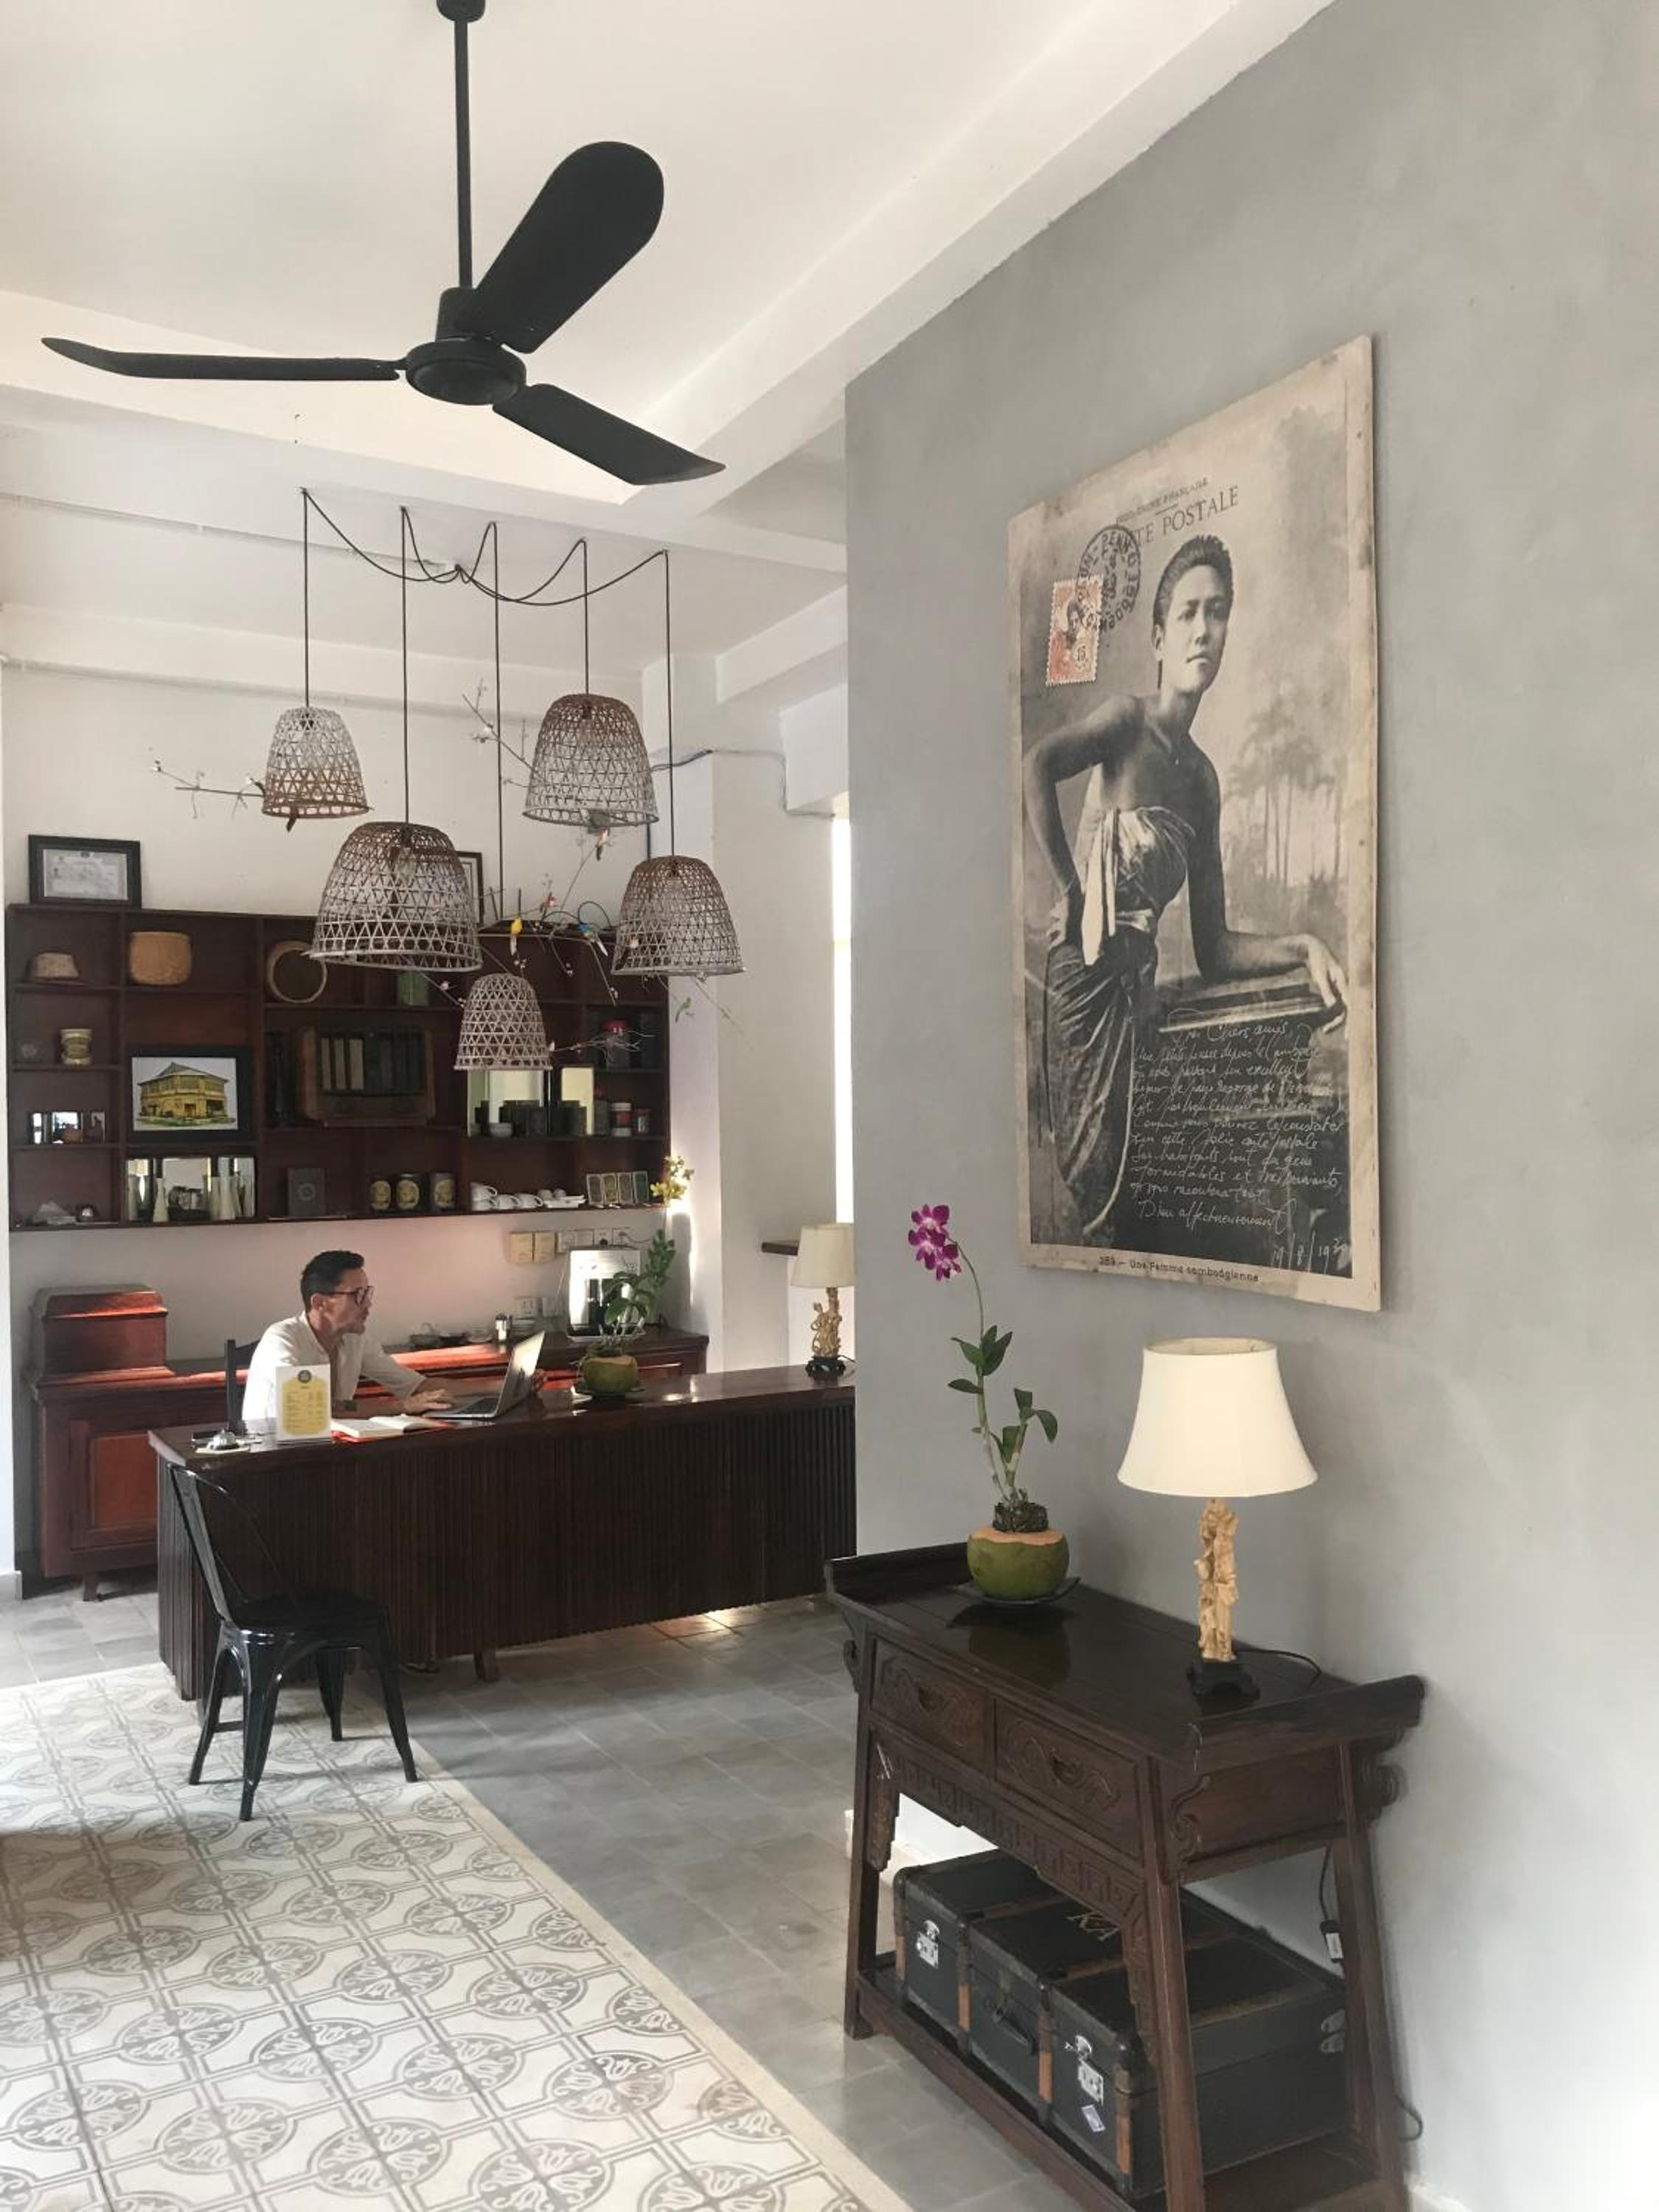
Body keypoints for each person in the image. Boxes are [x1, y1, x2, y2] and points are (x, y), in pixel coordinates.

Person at [1023, 534, 1346, 1239]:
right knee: (1096, 1203)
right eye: (1190, 612)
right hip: (1084, 988)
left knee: (1139, 1206)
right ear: (1159, 637)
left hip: (1136, 998)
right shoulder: (1124, 722)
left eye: (1219, 611)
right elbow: (1037, 767)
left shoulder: (1201, 781)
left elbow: (1216, 948)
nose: (1205, 629)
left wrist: (1304, 945)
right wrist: (1073, 892)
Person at [240, 1249, 453, 1425]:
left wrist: (477, 1391)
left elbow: (415, 1385)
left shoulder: (354, 1339)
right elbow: (314, 1409)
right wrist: (401, 1406)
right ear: (320, 1303)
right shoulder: (282, 1340)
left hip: (330, 1448)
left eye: (367, 1293)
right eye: (357, 1295)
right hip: (274, 1454)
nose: (368, 1303)